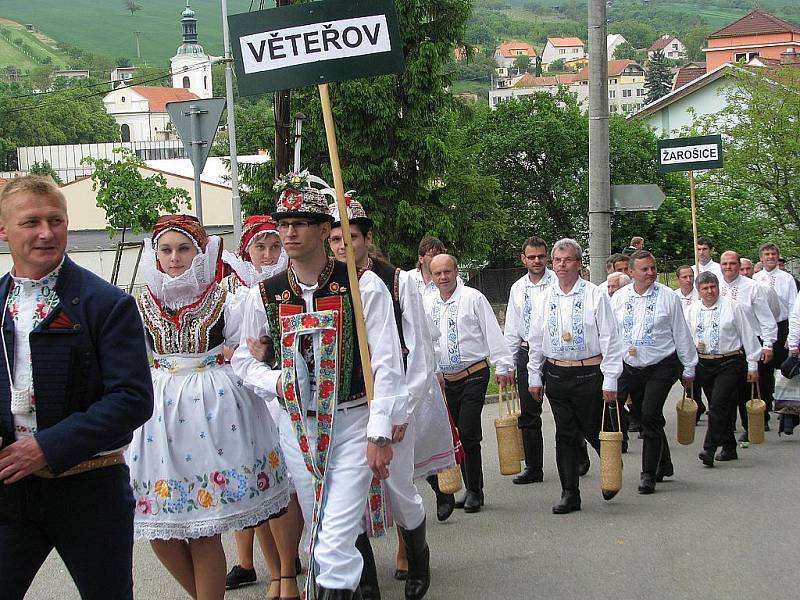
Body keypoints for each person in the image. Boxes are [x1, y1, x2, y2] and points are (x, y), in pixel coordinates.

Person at [231, 174, 408, 600]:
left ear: (323, 228)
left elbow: (387, 365)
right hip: (298, 429)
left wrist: (380, 431)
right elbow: (241, 360)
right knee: (321, 531)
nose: (289, 232)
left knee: (334, 539)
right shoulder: (266, 295)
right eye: (283, 223)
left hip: (350, 422)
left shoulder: (362, 287)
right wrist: (275, 378)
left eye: (300, 223)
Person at [0, 176, 154, 600]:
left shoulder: (105, 303)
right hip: (10, 489)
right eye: (31, 222)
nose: (46, 233)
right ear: (4, 229)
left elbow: (132, 399)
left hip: (90, 488)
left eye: (56, 220)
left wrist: (46, 447)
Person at [129, 215, 290, 600]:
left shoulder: (225, 298)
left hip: (214, 413)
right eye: (165, 250)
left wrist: (255, 355)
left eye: (184, 249)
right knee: (160, 530)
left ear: (200, 253)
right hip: (161, 418)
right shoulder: (140, 303)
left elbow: (249, 352)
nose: (174, 258)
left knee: (204, 530)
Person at [328, 196, 444, 600]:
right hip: (349, 410)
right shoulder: (329, 284)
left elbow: (418, 355)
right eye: (336, 238)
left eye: (352, 237)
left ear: (368, 238)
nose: (343, 246)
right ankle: (365, 582)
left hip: (393, 406)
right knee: (348, 497)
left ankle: (418, 555)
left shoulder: (397, 281)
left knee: (399, 489)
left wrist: (399, 411)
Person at [221, 215, 303, 598]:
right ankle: (272, 571)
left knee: (290, 484)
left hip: (281, 391)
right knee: (257, 485)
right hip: (245, 394)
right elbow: (221, 343)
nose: (269, 254)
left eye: (275, 247)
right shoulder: (232, 291)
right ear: (247, 251)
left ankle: (291, 567)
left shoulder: (291, 284)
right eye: (261, 247)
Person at [527, 239, 624, 514]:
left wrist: (610, 378)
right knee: (565, 435)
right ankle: (570, 493)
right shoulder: (544, 298)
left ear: (579, 264)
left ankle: (611, 468)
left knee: (594, 429)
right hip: (557, 373)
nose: (561, 265)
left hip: (589, 373)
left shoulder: (595, 295)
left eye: (567, 260)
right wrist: (535, 375)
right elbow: (535, 339)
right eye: (557, 260)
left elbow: (610, 338)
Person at [425, 254, 514, 513]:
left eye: (447, 272)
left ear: (456, 272)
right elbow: (426, 342)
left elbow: (492, 332)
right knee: (449, 435)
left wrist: (504, 365)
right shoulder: (428, 302)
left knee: (467, 432)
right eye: (438, 273)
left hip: (474, 373)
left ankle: (475, 489)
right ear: (431, 275)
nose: (443, 277)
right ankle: (456, 487)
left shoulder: (473, 298)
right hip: (445, 381)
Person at [612, 251, 698, 494]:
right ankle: (665, 462)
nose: (650, 273)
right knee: (639, 412)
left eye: (653, 268)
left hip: (662, 364)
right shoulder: (618, 298)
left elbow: (681, 333)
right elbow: (611, 333)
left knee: (650, 414)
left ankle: (648, 473)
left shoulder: (668, 297)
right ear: (631, 272)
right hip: (630, 366)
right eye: (644, 269)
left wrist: (689, 367)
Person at [686, 272, 760, 467]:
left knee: (718, 405)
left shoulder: (733, 307)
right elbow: (685, 338)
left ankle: (709, 448)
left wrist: (753, 364)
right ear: (698, 290)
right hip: (704, 362)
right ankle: (729, 445)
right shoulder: (692, 310)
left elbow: (748, 336)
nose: (710, 291)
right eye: (705, 288)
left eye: (713, 287)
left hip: (730, 361)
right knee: (720, 405)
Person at [503, 236, 556, 485]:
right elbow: (512, 328)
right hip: (526, 351)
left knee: (564, 408)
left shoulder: (557, 283)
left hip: (555, 352)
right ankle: (534, 467)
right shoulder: (517, 288)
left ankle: (578, 457)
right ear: (523, 258)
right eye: (532, 256)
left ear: (547, 257)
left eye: (541, 256)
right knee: (529, 412)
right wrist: (509, 363)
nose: (537, 261)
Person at [718, 251, 778, 444]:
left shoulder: (753, 288)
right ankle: (727, 429)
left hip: (750, 343)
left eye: (732, 263)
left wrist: (768, 344)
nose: (728, 267)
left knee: (747, 388)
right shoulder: (715, 286)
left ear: (739, 265)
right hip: (727, 345)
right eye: (725, 264)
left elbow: (766, 318)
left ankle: (750, 425)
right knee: (728, 390)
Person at [753, 243, 797, 432]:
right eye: (766, 254)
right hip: (762, 328)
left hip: (782, 326)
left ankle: (787, 411)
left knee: (785, 370)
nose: (770, 257)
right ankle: (763, 412)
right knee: (763, 371)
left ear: (777, 257)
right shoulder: (755, 278)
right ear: (761, 258)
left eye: (773, 254)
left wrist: (791, 336)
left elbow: (794, 305)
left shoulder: (787, 279)